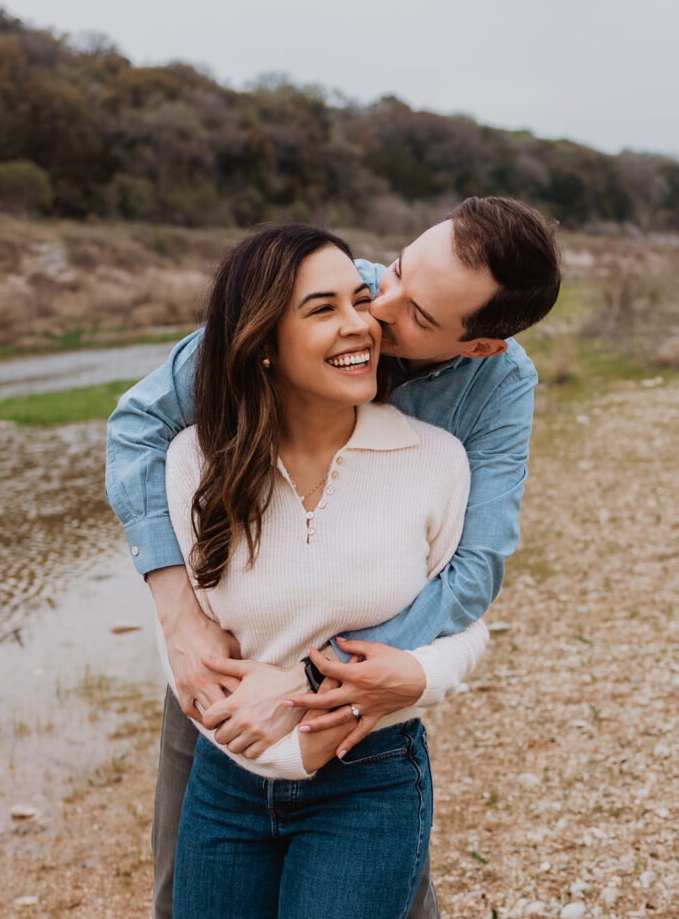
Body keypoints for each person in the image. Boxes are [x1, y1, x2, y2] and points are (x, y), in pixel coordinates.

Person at [105, 196, 562, 918]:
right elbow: (137, 428)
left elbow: (472, 575)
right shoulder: (314, 296)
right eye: (398, 270)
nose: (377, 311)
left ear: (476, 346)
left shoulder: (491, 393)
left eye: (418, 316)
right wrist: (179, 616)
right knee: (178, 896)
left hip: (361, 724)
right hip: (222, 676)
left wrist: (323, 674)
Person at [158, 225, 488, 917]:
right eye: (321, 309)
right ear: (263, 344)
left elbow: (462, 625)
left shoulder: (435, 462)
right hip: (224, 781)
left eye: (360, 300)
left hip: (365, 780)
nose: (359, 326)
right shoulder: (196, 460)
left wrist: (420, 675)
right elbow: (187, 629)